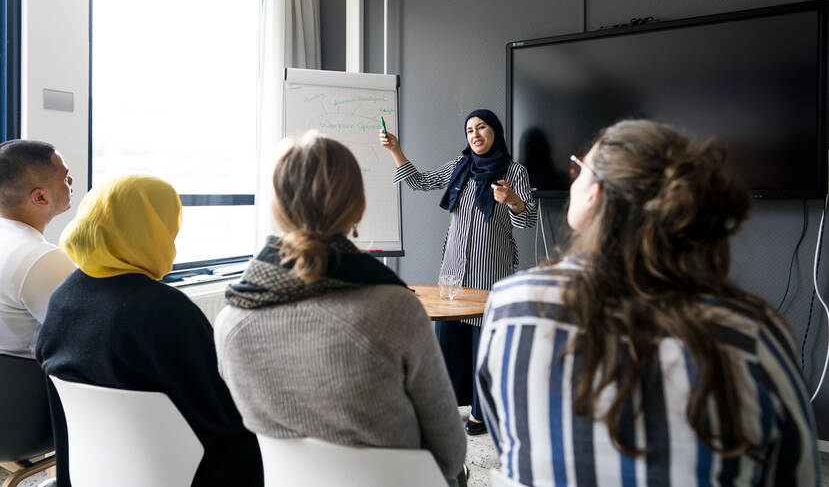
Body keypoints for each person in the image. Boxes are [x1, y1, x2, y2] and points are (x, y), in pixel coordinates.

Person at [476, 120, 820, 486]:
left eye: (578, 169)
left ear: (594, 194)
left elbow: (508, 441)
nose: (572, 176)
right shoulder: (751, 336)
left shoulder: (511, 306)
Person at [215, 132, 467, 486]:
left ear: (275, 206)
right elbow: (452, 454)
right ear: (358, 207)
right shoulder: (395, 309)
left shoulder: (230, 322)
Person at [36, 175, 263, 487]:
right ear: (150, 229)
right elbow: (218, 415)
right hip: (187, 473)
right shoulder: (163, 310)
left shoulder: (65, 296)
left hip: (92, 471)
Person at [380, 109, 537, 435]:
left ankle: (481, 415)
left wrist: (511, 200)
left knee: (485, 347)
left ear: (495, 131)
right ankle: (451, 409)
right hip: (453, 273)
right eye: (469, 130)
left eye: (481, 127)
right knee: (449, 345)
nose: (475, 134)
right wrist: (395, 150)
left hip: (491, 274)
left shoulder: (513, 170)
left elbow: (527, 219)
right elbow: (420, 182)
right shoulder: (459, 166)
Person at [0, 139, 75, 359]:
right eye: (64, 176)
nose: (71, 180)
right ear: (40, 197)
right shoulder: (41, 258)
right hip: (31, 388)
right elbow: (89, 336)